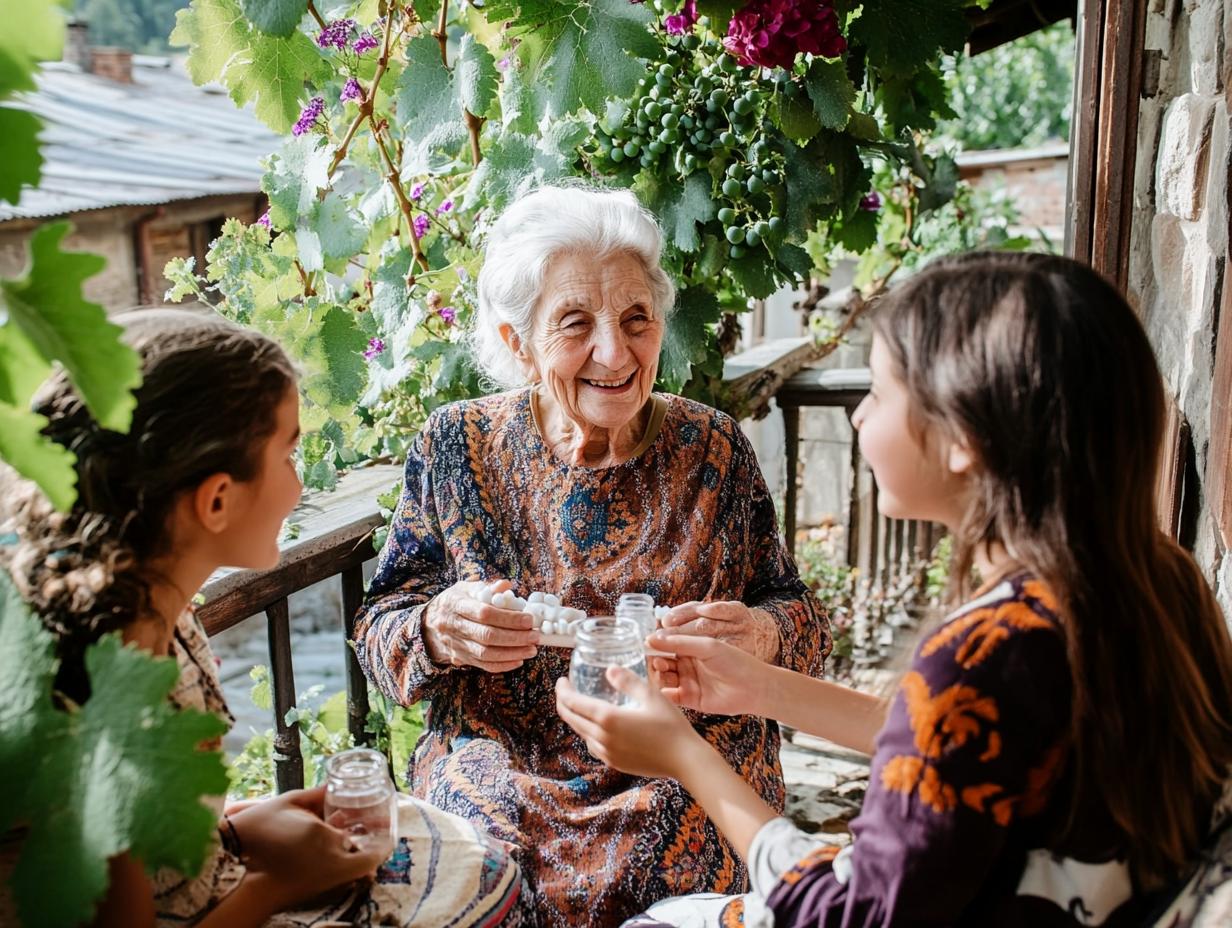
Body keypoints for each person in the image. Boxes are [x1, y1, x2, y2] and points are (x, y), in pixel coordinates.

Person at [556, 251, 1232, 927]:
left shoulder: (988, 649)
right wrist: (759, 687)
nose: (857, 418)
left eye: (877, 393)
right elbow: (955, 755)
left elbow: (852, 916)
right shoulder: (1156, 583)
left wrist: (684, 755)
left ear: (963, 438)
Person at [353, 183, 830, 925]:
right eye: (576, 323)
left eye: (637, 320)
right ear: (518, 341)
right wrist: (439, 628)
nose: (615, 351)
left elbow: (798, 614)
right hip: (506, 760)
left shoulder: (714, 448)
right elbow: (380, 626)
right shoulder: (456, 445)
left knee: (671, 842)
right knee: (484, 865)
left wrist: (762, 634)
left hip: (678, 751)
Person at [0, 309, 526, 927]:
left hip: (215, 872)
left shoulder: (146, 601)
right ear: (217, 500)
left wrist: (243, 830)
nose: (300, 487)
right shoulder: (106, 696)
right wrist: (280, 880)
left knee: (463, 855)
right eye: (288, 455)